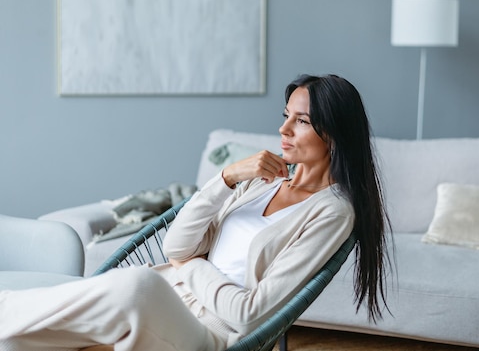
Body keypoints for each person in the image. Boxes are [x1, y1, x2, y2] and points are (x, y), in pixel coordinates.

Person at [0, 74, 391, 351]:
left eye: (301, 120)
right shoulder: (263, 181)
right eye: (286, 114)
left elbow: (250, 315)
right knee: (17, 340)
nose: (284, 128)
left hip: (210, 332)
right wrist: (227, 176)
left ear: (335, 135)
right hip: (167, 304)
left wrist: (188, 266)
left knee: (139, 284)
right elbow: (177, 242)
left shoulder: (332, 212)